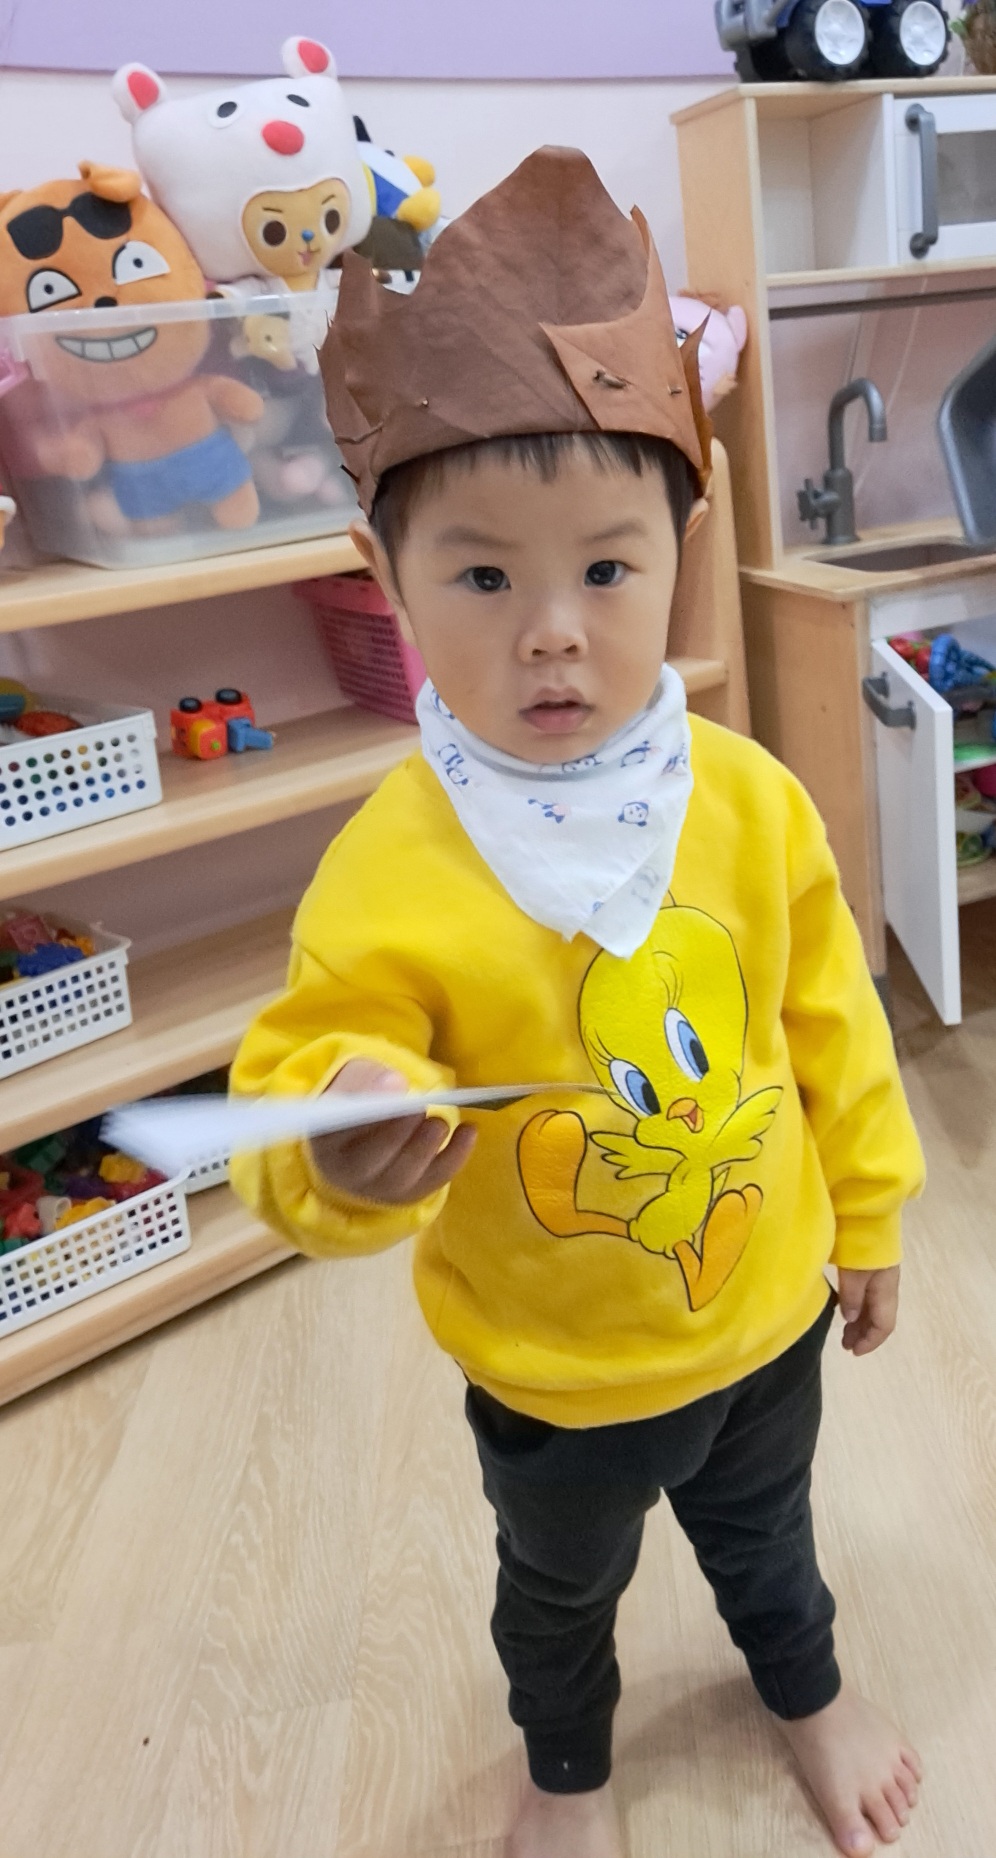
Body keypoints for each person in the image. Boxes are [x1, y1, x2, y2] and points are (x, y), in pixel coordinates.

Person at [230, 148, 925, 1858]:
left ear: (683, 546)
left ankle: (807, 1692)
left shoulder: (745, 798)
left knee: (771, 1541)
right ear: (382, 571)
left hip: (761, 1312)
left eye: (607, 573)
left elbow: (831, 1018)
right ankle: (568, 1773)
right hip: (553, 1373)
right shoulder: (390, 862)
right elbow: (300, 1078)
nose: (554, 634)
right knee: (555, 1593)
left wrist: (872, 1209)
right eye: (483, 579)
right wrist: (340, 1135)